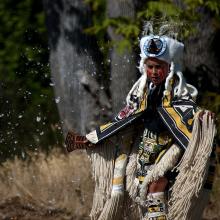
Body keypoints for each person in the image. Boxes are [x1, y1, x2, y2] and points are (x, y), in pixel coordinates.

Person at [66, 25, 216, 220]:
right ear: (144, 67)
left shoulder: (179, 93)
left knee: (156, 184)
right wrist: (93, 138)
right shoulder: (141, 94)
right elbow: (123, 120)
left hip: (171, 151)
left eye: (159, 67)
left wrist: (204, 118)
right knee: (142, 194)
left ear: (169, 67)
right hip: (144, 149)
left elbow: (191, 113)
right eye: (150, 66)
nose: (154, 71)